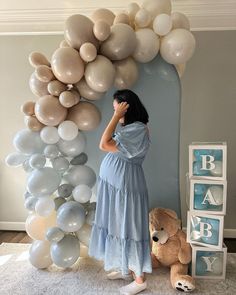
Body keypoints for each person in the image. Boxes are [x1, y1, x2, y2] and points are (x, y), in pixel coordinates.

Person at [88, 89, 152, 295]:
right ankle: (125, 267)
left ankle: (140, 279)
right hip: (115, 185)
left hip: (126, 186)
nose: (114, 111)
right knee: (117, 224)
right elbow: (110, 147)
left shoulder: (139, 129)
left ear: (127, 107)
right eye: (115, 109)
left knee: (130, 226)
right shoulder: (127, 128)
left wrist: (115, 118)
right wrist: (117, 118)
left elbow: (103, 144)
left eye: (117, 108)